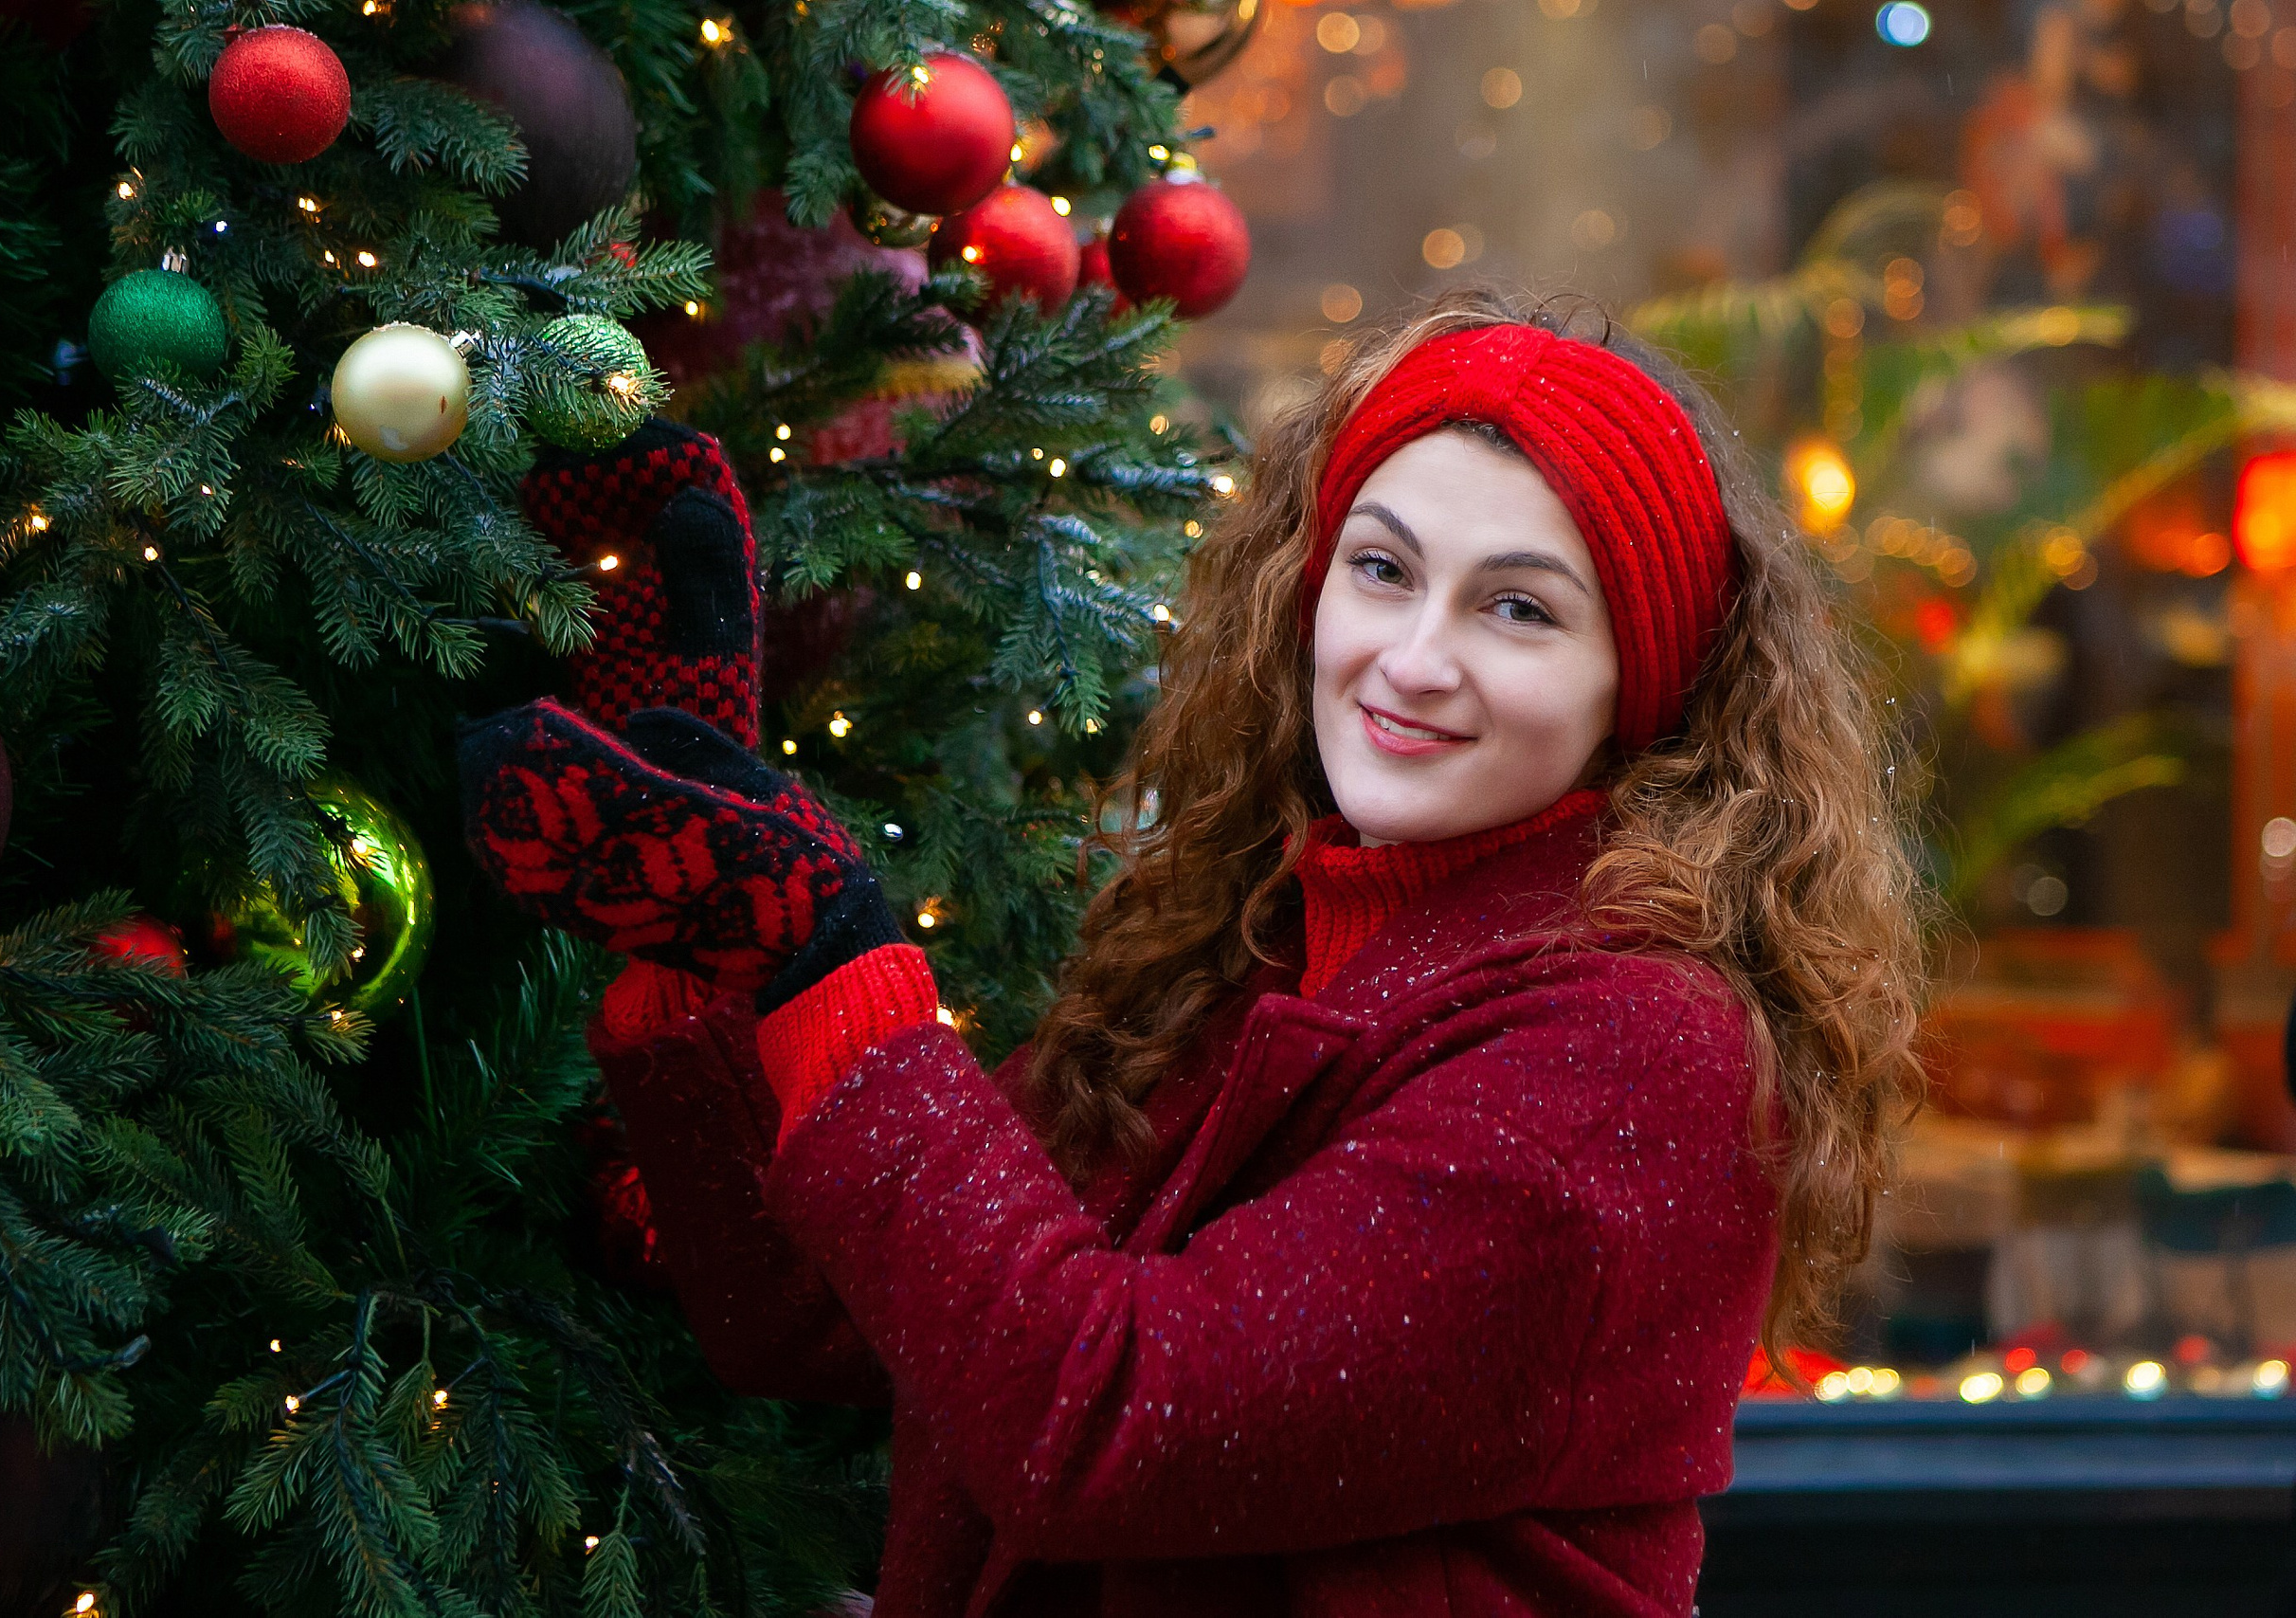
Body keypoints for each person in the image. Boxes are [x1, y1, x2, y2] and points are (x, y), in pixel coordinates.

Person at [461, 287, 1926, 1617]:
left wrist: (836, 954)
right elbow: (820, 1316)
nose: (1412, 659)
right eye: (1381, 570)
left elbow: (1109, 1423)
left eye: (1519, 608)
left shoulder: (1635, 1046)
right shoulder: (1254, 951)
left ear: (1638, 681)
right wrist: (710, 911)